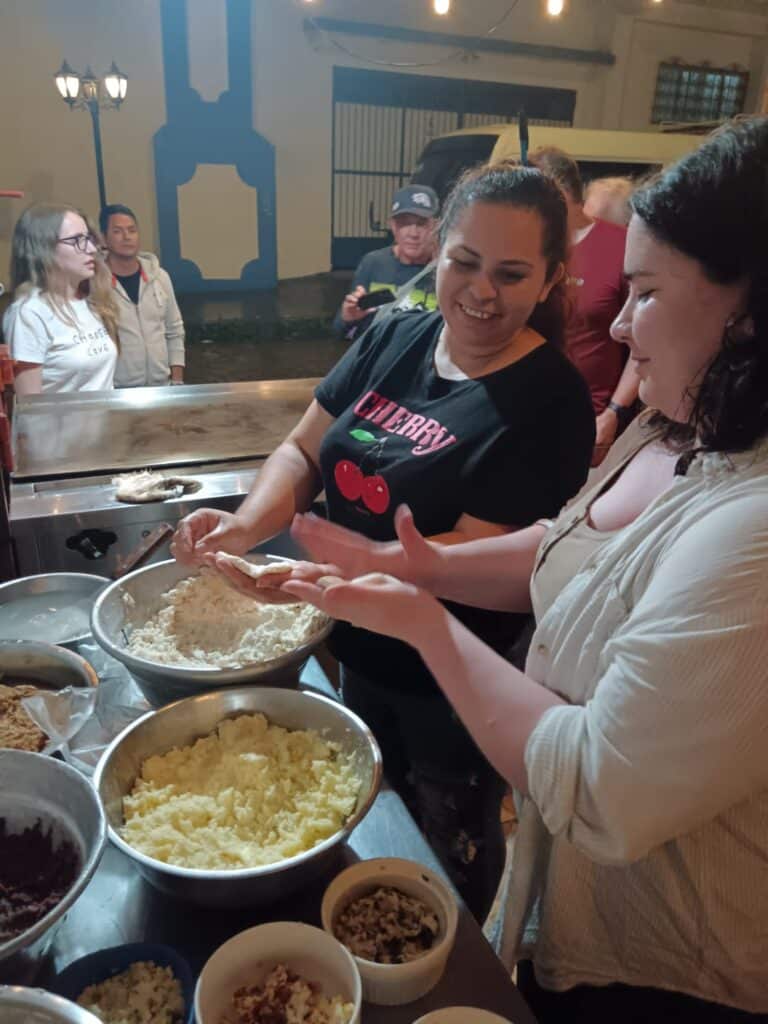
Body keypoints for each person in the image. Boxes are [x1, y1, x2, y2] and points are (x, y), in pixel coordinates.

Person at [279, 117, 768, 1020]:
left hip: (670, 968)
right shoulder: (673, 428)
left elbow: (599, 785)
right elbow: (561, 551)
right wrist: (407, 565)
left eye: (648, 294)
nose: (619, 325)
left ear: (746, 310)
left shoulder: (754, 532)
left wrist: (422, 618)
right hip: (570, 912)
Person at [171, 163, 596, 920]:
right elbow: (304, 452)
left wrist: (312, 585)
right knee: (359, 824)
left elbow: (460, 566)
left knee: (442, 860)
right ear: (437, 251)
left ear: (551, 279)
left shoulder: (550, 399)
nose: (480, 291)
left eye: (511, 272)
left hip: (451, 686)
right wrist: (244, 525)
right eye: (463, 261)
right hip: (353, 652)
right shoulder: (395, 334)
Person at [529, 147, 639, 465]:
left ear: (562, 193)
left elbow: (642, 340)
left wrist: (614, 412)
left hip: (591, 423)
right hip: (526, 416)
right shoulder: (531, 246)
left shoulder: (622, 245)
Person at [2, 203, 118, 395]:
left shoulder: (89, 298)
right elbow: (31, 407)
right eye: (77, 240)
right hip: (60, 425)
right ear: (44, 248)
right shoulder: (29, 313)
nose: (91, 248)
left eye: (89, 238)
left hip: (104, 423)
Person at [334, 185, 439, 342]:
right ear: (393, 226)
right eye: (404, 223)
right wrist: (348, 318)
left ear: (435, 226)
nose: (413, 233)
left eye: (422, 223)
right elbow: (341, 332)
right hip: (377, 362)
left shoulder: (446, 270)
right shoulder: (373, 263)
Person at [99, 203, 185, 387]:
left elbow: (175, 331)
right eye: (117, 231)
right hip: (116, 390)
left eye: (132, 230)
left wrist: (177, 381)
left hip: (162, 386)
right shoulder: (94, 284)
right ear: (104, 239)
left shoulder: (159, 277)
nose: (127, 236)